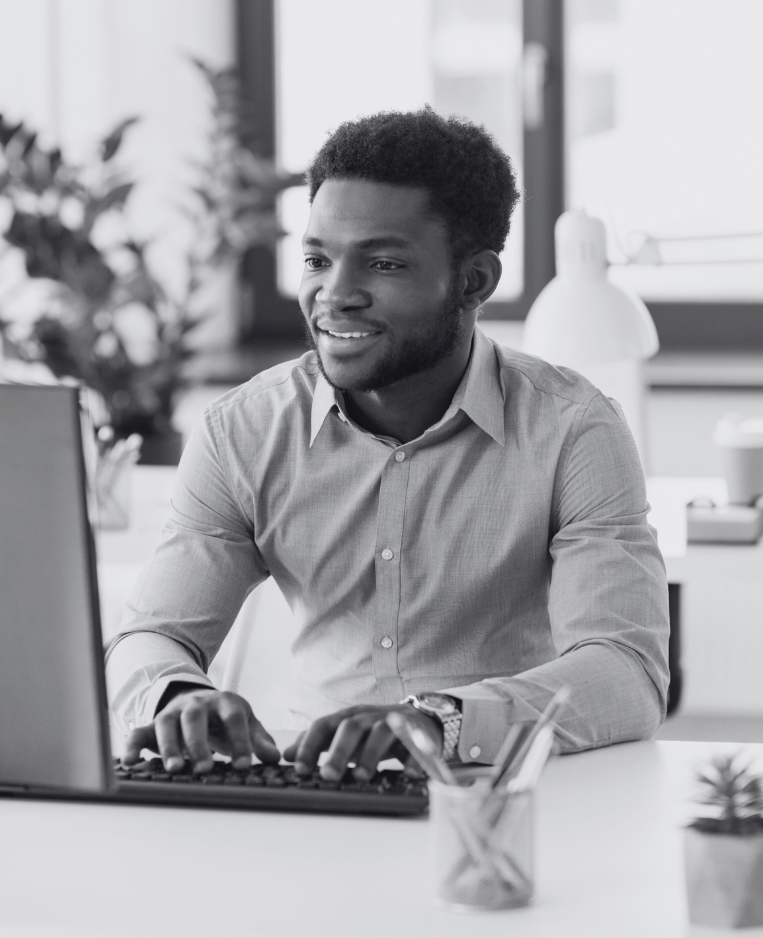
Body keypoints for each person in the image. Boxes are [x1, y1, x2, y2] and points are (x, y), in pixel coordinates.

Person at [106, 108, 669, 782]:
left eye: (384, 263)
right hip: (311, 794)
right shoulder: (244, 431)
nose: (334, 295)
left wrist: (438, 720)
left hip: (504, 791)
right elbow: (151, 635)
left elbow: (625, 671)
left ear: (475, 281)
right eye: (317, 259)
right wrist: (176, 695)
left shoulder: (574, 430)